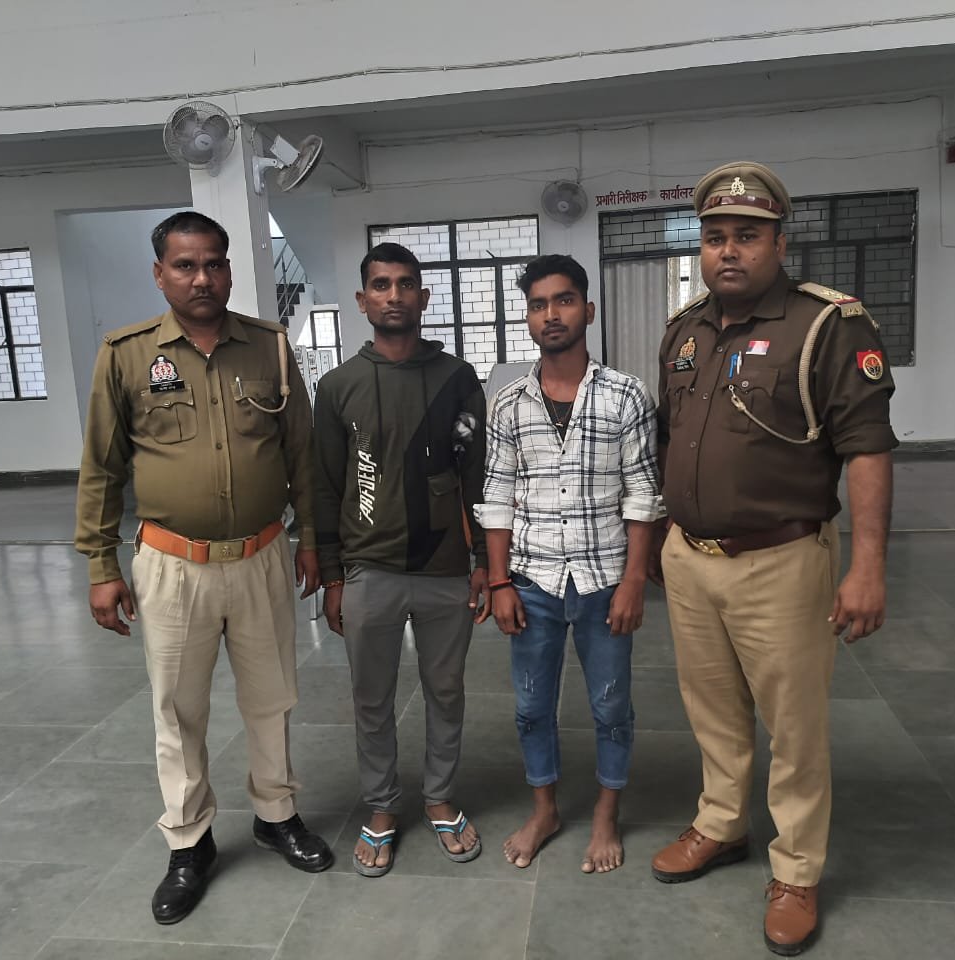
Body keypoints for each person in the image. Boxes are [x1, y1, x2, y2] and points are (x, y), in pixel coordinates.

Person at [649, 162, 896, 956]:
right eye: (715, 236)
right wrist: (666, 533)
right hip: (691, 558)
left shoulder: (826, 326)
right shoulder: (684, 330)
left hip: (782, 561)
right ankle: (722, 824)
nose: (728, 251)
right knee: (712, 710)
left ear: (780, 243)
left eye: (747, 236)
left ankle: (796, 870)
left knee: (794, 727)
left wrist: (868, 567)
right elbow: (672, 439)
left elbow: (867, 448)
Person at [75, 211, 334, 926]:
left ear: (228, 269)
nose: (202, 279)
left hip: (261, 556)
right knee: (178, 709)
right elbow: (101, 466)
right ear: (159, 274)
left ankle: (276, 815)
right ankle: (189, 841)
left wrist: (312, 540)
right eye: (185, 266)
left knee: (272, 697)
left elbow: (301, 454)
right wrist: (100, 562)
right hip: (171, 564)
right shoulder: (126, 355)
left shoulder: (270, 347)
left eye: (214, 264)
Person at [477, 254, 661, 875]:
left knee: (610, 706)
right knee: (532, 707)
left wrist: (634, 581)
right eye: (538, 304)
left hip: (605, 580)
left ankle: (607, 814)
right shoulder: (508, 403)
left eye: (563, 300)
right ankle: (545, 810)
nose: (551, 314)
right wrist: (499, 581)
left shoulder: (625, 395)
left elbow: (642, 493)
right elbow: (497, 497)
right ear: (527, 317)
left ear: (588, 309)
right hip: (532, 581)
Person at [313, 241, 491, 877]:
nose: (394, 295)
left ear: (424, 296)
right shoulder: (338, 387)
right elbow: (325, 486)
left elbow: (477, 476)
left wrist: (482, 561)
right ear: (363, 300)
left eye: (406, 284)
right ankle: (382, 805)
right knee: (372, 698)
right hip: (369, 570)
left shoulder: (457, 379)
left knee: (446, 690)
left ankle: (440, 796)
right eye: (382, 285)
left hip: (446, 569)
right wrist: (332, 575)